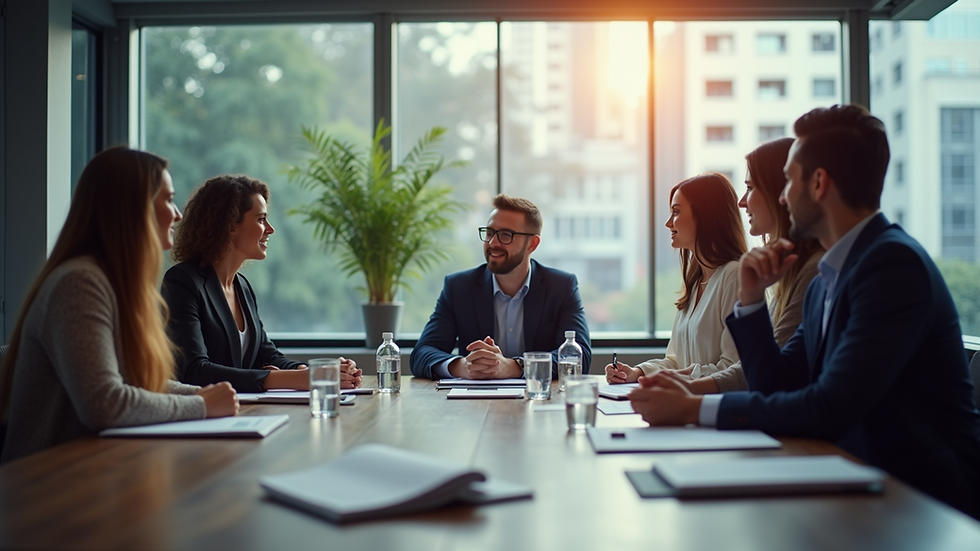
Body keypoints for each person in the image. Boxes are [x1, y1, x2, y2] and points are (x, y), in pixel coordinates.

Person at [630, 104, 980, 519]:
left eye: (788, 181)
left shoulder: (891, 266)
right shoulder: (829, 277)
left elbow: (830, 407)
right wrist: (752, 301)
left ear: (818, 183)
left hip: (922, 503)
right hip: (856, 480)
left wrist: (693, 408)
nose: (781, 197)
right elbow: (775, 385)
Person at [0, 147, 239, 464]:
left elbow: (132, 381)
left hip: (95, 471)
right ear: (133, 208)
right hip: (48, 486)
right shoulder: (79, 283)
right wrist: (202, 405)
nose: (178, 214)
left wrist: (196, 394)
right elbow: (105, 403)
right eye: (168, 199)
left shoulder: (115, 285)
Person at [163, 175, 361, 393]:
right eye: (261, 219)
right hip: (200, 417)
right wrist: (298, 378)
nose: (270, 229)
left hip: (241, 411)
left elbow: (267, 355)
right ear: (230, 225)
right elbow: (196, 371)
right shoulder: (183, 281)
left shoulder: (242, 286)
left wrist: (320, 371)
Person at [687, 138, 824, 394]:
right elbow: (757, 369)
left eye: (750, 187)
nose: (742, 202)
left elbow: (770, 377)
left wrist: (690, 395)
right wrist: (686, 387)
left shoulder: (815, 271)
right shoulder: (790, 270)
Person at [410, 194, 591, 380]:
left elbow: (580, 356)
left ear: (532, 244)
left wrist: (515, 367)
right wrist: (462, 366)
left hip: (538, 401)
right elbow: (421, 353)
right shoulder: (459, 287)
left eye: (506, 235)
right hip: (474, 405)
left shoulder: (561, 287)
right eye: (489, 233)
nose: (493, 243)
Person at [605, 174, 746, 384]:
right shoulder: (696, 281)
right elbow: (675, 361)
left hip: (713, 407)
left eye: (676, 212)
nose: (668, 223)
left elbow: (732, 367)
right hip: (685, 404)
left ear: (705, 216)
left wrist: (673, 378)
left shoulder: (734, 276)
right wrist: (637, 372)